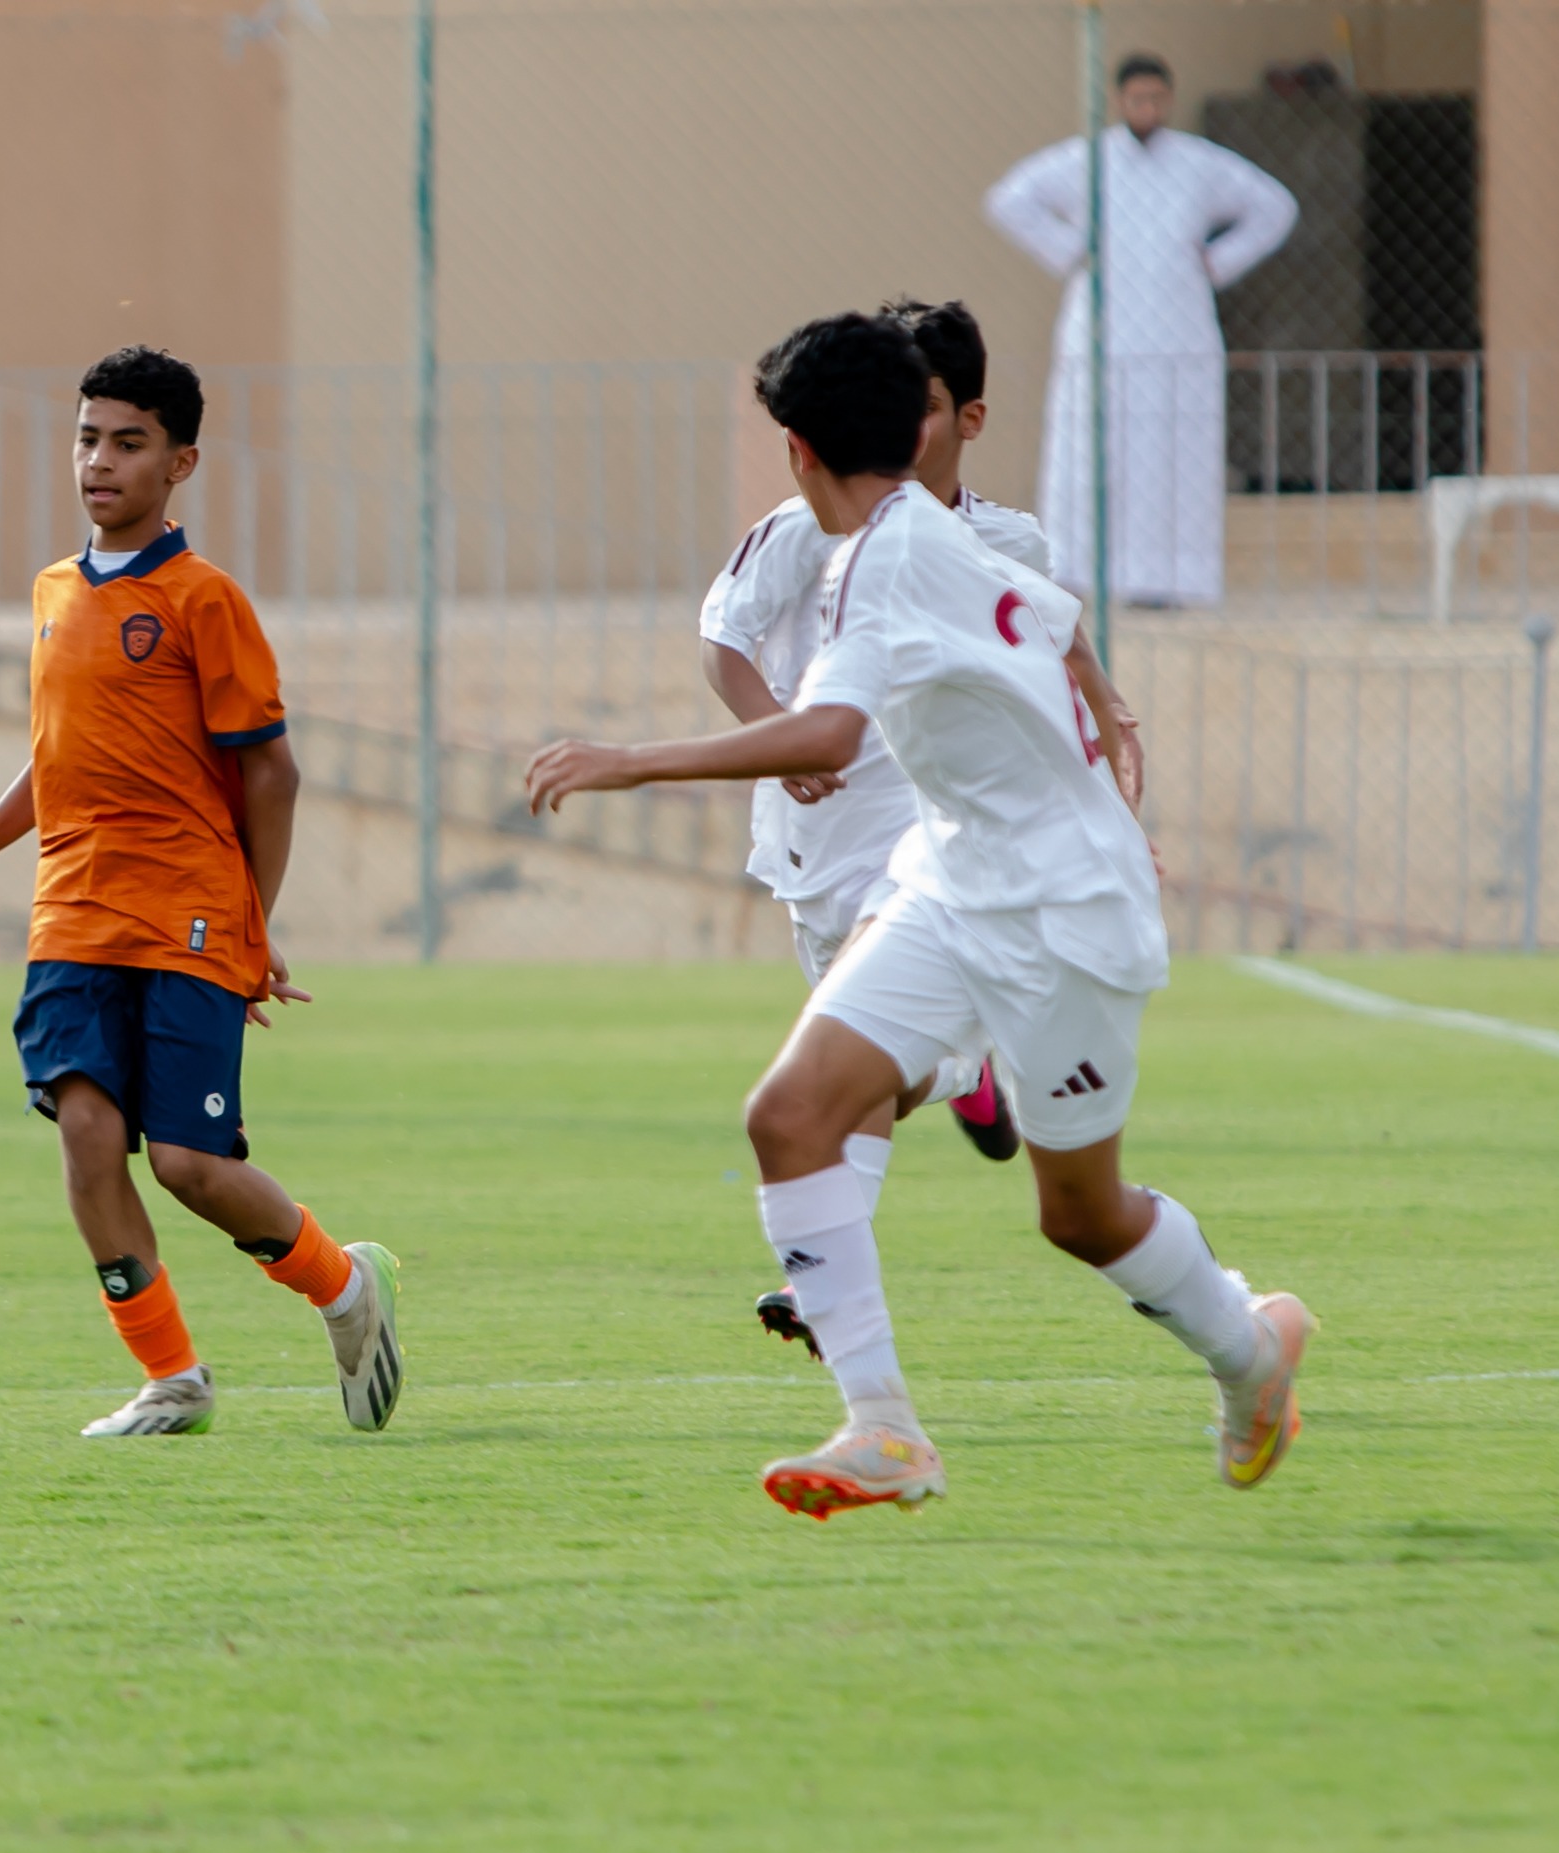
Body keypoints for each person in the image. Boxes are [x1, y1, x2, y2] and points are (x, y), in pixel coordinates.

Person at [523, 312, 1311, 1515]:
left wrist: (626, 760)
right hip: (951, 880)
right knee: (790, 1114)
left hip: (1061, 913)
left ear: (794, 447)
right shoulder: (938, 541)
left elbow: (831, 731)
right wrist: (1095, 704)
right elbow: (1044, 621)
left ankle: (1251, 1351)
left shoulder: (879, 561)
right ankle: (883, 1430)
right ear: (918, 422)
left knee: (1079, 1215)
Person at [0, 345, 403, 1440]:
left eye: (128, 443)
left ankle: (343, 1286)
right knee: (83, 1137)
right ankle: (171, 1377)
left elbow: (273, 770)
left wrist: (254, 923)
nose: (99, 462)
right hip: (72, 906)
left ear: (182, 463)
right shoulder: (54, 592)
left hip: (187, 908)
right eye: (86, 439)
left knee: (187, 1165)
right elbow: (59, 754)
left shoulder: (203, 601)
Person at [702, 297, 1150, 1359]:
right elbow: (724, 645)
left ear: (961, 417)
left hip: (933, 838)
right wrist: (774, 734)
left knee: (830, 1084)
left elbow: (1054, 639)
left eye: (939, 403)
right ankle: (966, 1076)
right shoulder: (796, 537)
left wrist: (1105, 717)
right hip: (818, 836)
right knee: (857, 1075)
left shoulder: (995, 541)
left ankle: (830, 1311)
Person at [984, 53, 1297, 608]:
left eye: (1157, 98)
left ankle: (1171, 581)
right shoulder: (1088, 160)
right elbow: (1010, 198)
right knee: (1088, 447)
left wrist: (1219, 262)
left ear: (1168, 100)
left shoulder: (1199, 163)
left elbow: (1275, 207)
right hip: (1104, 323)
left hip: (1179, 324)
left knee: (1177, 449)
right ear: (1121, 100)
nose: (1147, 108)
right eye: (1138, 99)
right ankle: (1076, 572)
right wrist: (1072, 253)